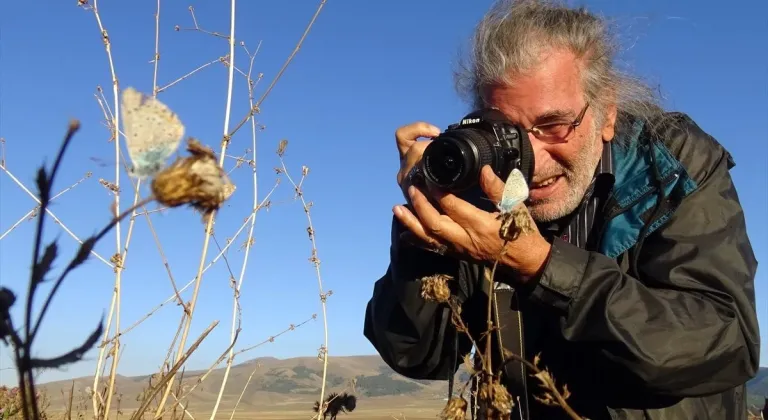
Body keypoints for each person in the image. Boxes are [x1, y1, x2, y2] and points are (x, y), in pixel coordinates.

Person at [363, 0, 761, 419]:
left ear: (606, 113)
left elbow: (724, 341)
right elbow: (417, 356)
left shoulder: (670, 165)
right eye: (510, 132)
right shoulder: (480, 188)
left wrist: (543, 268)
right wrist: (425, 230)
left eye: (554, 126)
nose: (532, 159)